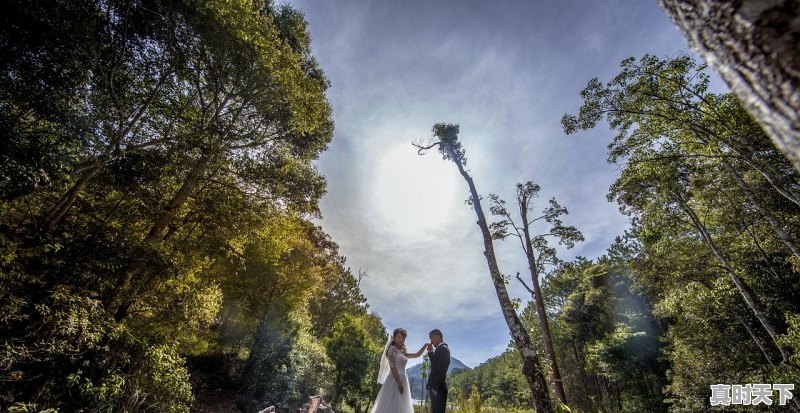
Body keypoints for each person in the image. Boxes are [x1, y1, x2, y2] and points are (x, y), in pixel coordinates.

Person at [370, 328, 430, 413]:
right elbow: (393, 367)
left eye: (403, 338)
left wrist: (425, 345)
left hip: (403, 379)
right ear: (394, 338)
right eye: (399, 337)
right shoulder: (391, 349)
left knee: (402, 407)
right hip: (394, 380)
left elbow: (417, 355)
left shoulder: (402, 351)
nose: (401, 339)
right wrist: (399, 383)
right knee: (391, 405)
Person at [426, 328, 450, 413]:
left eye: (431, 338)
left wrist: (435, 388)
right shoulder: (440, 349)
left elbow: (442, 370)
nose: (431, 342)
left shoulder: (443, 349)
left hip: (438, 389)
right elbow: (435, 365)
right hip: (436, 388)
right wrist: (430, 352)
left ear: (438, 336)